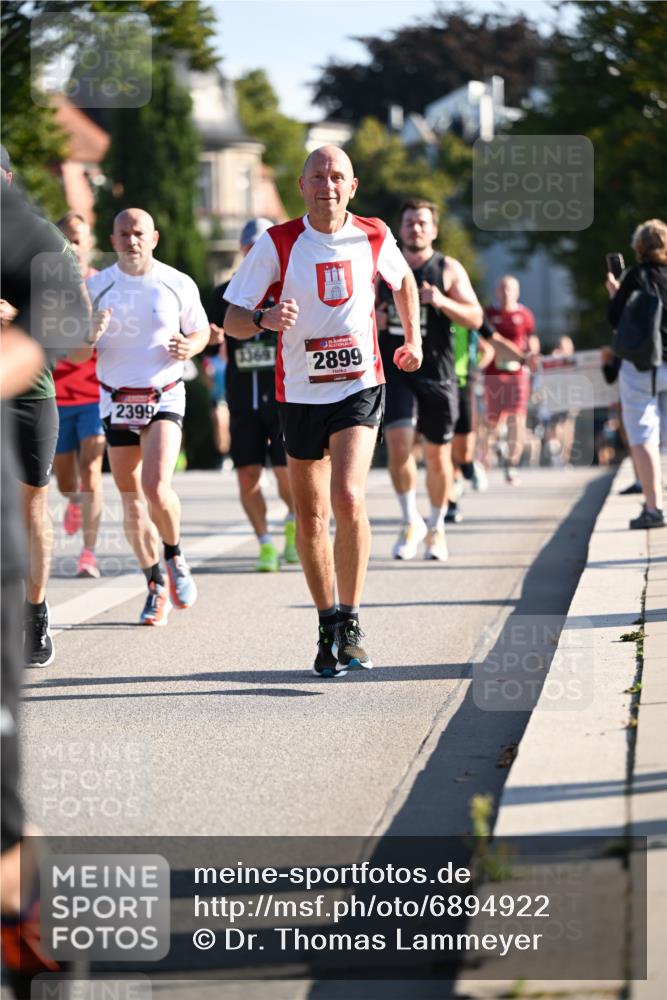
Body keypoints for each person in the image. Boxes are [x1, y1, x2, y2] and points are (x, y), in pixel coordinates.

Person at [223, 146, 422, 677]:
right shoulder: (278, 243)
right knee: (310, 516)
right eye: (317, 176)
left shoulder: (375, 234)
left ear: (352, 186)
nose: (327, 185)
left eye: (337, 177)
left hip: (360, 384)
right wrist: (265, 318)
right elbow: (233, 318)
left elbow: (404, 283)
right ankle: (327, 621)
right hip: (299, 394)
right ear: (301, 184)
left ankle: (352, 621)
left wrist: (414, 341)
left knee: (349, 496)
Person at [86, 208, 210, 623]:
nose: (132, 240)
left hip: (163, 397)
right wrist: (90, 332)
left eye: (139, 233)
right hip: (116, 400)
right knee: (133, 504)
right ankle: (155, 583)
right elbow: (71, 345)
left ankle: (174, 555)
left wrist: (190, 347)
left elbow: (202, 330)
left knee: (156, 488)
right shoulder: (97, 286)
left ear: (153, 238)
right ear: (113, 239)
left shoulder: (177, 282)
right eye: (124, 234)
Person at [1, 146, 86, 668]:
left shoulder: (41, 239)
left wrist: (16, 318)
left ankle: (34, 611)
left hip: (30, 392)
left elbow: (68, 325)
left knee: (32, 503)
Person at [376, 199, 483, 559]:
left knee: (439, 457)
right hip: (396, 370)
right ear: (400, 229)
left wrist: (440, 301)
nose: (415, 229)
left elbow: (476, 318)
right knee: (398, 445)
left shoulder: (447, 269)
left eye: (422, 223)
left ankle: (436, 527)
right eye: (409, 223)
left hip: (438, 371)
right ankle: (410, 519)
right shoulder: (383, 268)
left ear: (434, 230)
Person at [207, 217, 299, 572]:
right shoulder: (225, 294)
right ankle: (264, 543)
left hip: (284, 399)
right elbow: (207, 343)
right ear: (243, 251)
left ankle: (293, 524)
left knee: (286, 474)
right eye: (250, 247)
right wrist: (211, 342)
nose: (255, 253)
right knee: (247, 475)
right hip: (243, 399)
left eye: (262, 246)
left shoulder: (291, 288)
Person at [52, 212, 106, 578]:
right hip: (55, 396)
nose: (73, 245)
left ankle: (89, 553)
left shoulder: (104, 285)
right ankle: (73, 502)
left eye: (79, 238)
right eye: (66, 239)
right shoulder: (45, 288)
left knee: (91, 471)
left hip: (96, 395)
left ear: (89, 243)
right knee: (66, 481)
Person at [607, 218, 667, 529]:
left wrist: (615, 293)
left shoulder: (635, 276)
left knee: (644, 434)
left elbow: (615, 319)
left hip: (640, 366)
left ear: (639, 247)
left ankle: (654, 508)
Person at [483, 276, 537, 484]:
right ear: (497, 291)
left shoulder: (525, 314)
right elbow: (484, 339)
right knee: (494, 420)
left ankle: (512, 464)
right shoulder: (489, 313)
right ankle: (491, 452)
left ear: (517, 292)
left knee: (517, 418)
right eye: (502, 288)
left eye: (510, 289)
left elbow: (532, 338)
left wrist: (533, 353)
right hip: (494, 373)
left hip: (518, 374)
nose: (506, 292)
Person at [445, 323, 494, 524]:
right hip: (439, 384)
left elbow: (488, 349)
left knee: (463, 450)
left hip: (464, 383)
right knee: (442, 446)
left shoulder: (466, 318)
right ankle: (450, 501)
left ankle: (469, 466)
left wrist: (475, 368)